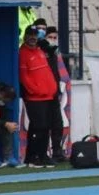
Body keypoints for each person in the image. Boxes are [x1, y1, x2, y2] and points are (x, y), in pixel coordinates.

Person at [19, 25, 58, 168]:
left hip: (46, 96)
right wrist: (35, 90)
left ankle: (33, 156)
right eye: (30, 34)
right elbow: (24, 77)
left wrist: (52, 88)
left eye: (35, 35)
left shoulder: (40, 51)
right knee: (40, 127)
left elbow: (47, 73)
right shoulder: (23, 53)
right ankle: (38, 156)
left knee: (39, 127)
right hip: (35, 97)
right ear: (25, 36)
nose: (32, 38)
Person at [31, 19, 67, 162]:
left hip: (53, 92)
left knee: (57, 123)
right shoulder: (39, 51)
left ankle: (57, 151)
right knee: (42, 125)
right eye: (50, 37)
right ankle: (39, 154)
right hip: (41, 94)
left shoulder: (52, 52)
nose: (52, 40)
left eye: (54, 37)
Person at [0, 81, 22, 169]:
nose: (5, 101)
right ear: (1, 93)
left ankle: (8, 157)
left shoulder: (1, 101)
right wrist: (6, 123)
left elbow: (3, 117)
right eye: (5, 99)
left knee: (8, 128)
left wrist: (7, 124)